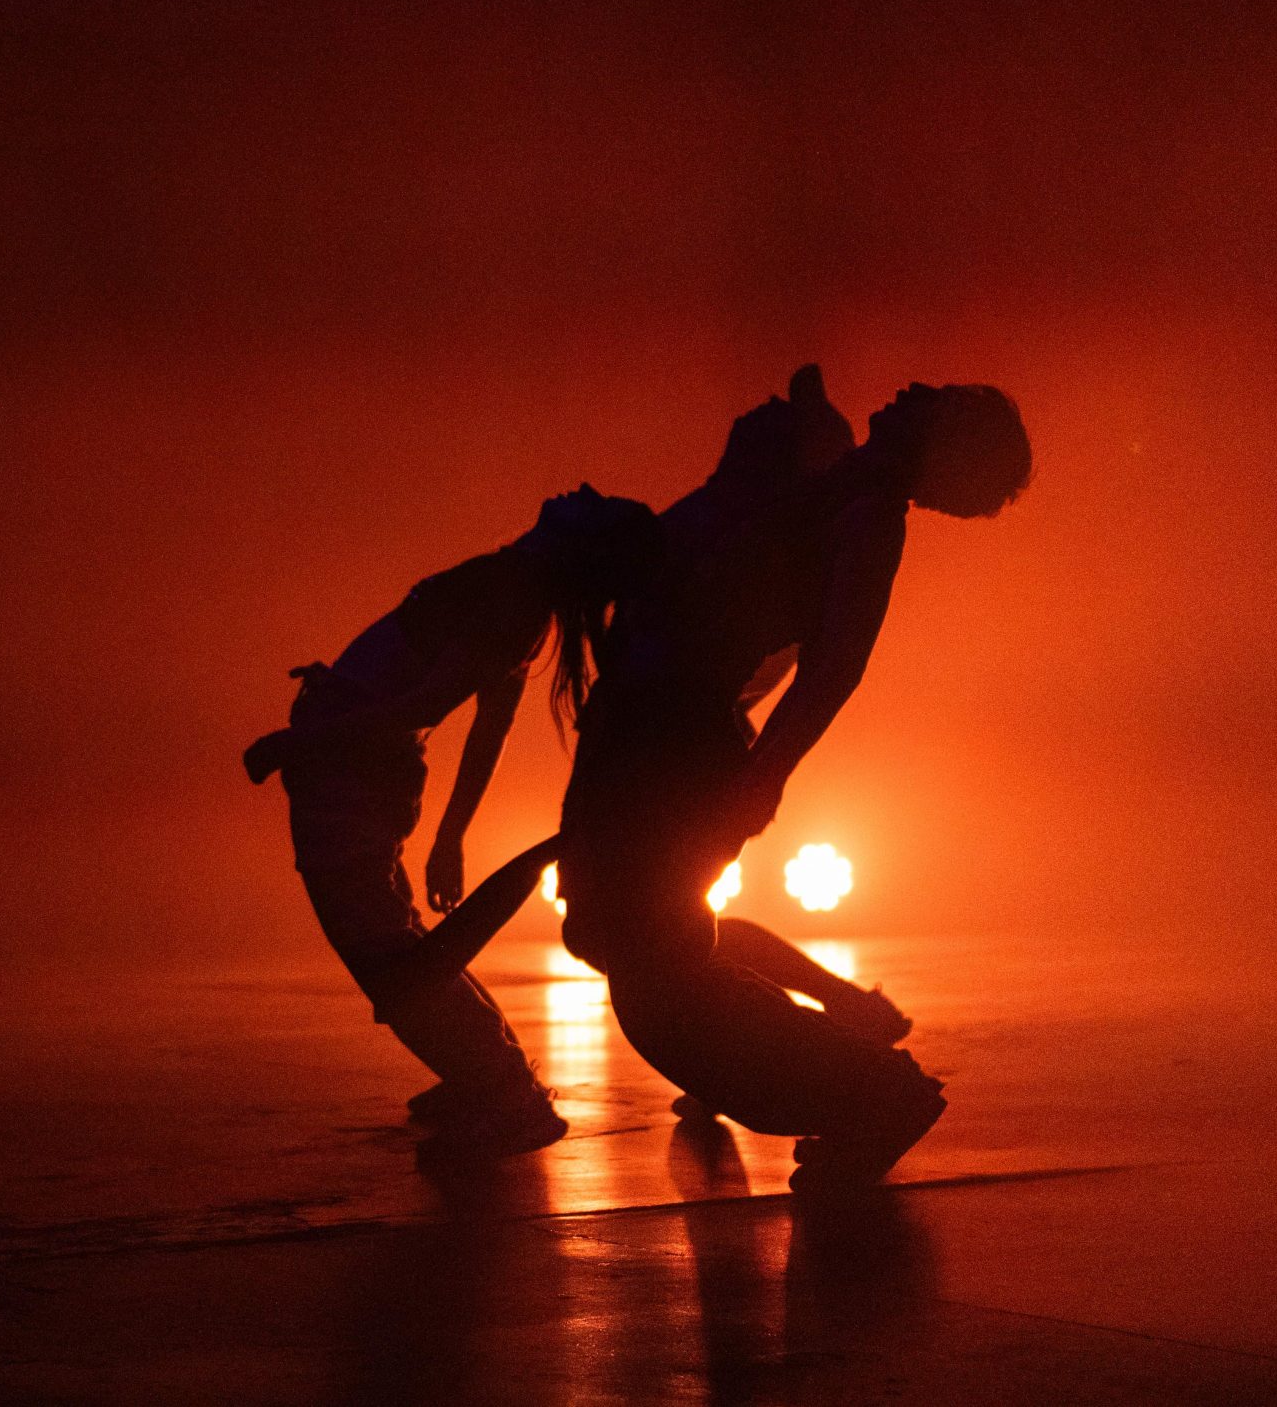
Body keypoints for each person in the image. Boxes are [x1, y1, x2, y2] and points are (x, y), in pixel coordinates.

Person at [558, 373, 1032, 1187]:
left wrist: (762, 777)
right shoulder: (827, 474)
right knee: (629, 944)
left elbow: (832, 671)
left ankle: (871, 1089)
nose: (914, 384)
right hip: (644, 727)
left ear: (947, 441)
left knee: (651, 965)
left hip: (675, 743)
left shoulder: (865, 521)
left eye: (938, 397)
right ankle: (858, 1078)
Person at [245, 485, 661, 1154]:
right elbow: (485, 730)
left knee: (392, 962)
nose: (580, 488)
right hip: (357, 769)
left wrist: (297, 744)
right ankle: (481, 1072)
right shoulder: (519, 598)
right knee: (398, 947)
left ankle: (502, 1089)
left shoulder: (515, 601)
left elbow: (427, 702)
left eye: (597, 503)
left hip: (351, 775)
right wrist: (449, 837)